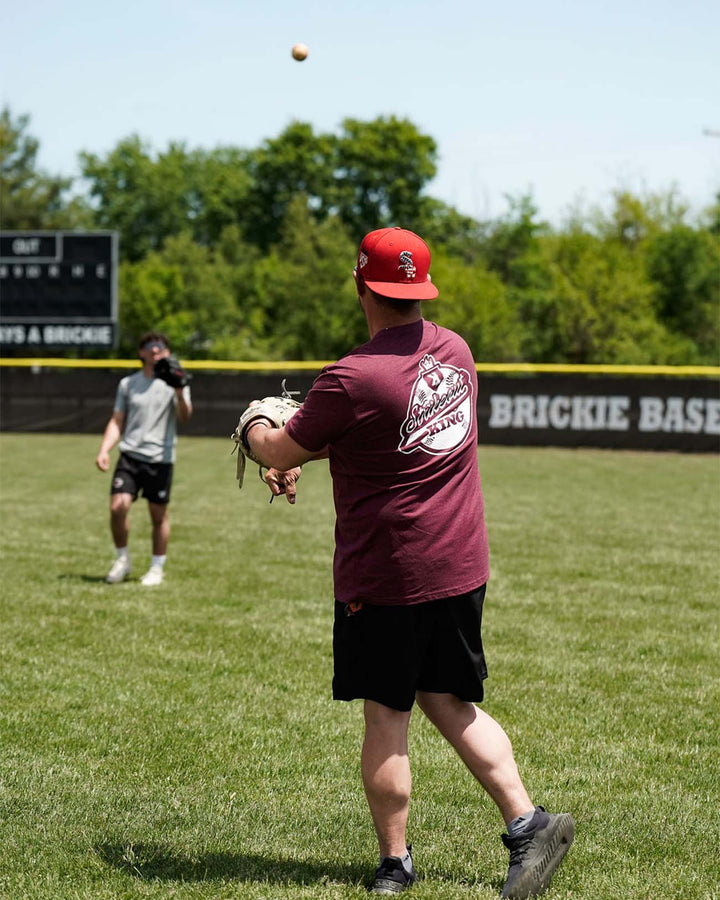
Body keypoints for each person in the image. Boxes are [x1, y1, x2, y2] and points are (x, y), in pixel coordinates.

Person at [242, 228, 574, 897]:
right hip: (459, 564)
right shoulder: (456, 349)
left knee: (386, 716)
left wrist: (255, 423)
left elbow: (281, 451)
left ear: (361, 286)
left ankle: (395, 864)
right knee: (450, 700)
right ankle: (527, 823)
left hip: (387, 576)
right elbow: (393, 434)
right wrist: (313, 439)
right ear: (419, 289)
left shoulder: (351, 377)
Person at [95, 331, 192, 586]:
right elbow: (117, 420)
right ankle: (122, 560)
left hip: (160, 458)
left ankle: (157, 567)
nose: (156, 349)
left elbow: (185, 416)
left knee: (158, 515)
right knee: (118, 507)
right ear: (142, 352)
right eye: (150, 345)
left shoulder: (175, 382)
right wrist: (105, 449)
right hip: (130, 455)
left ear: (168, 353)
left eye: (161, 346)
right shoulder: (128, 384)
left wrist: (180, 391)